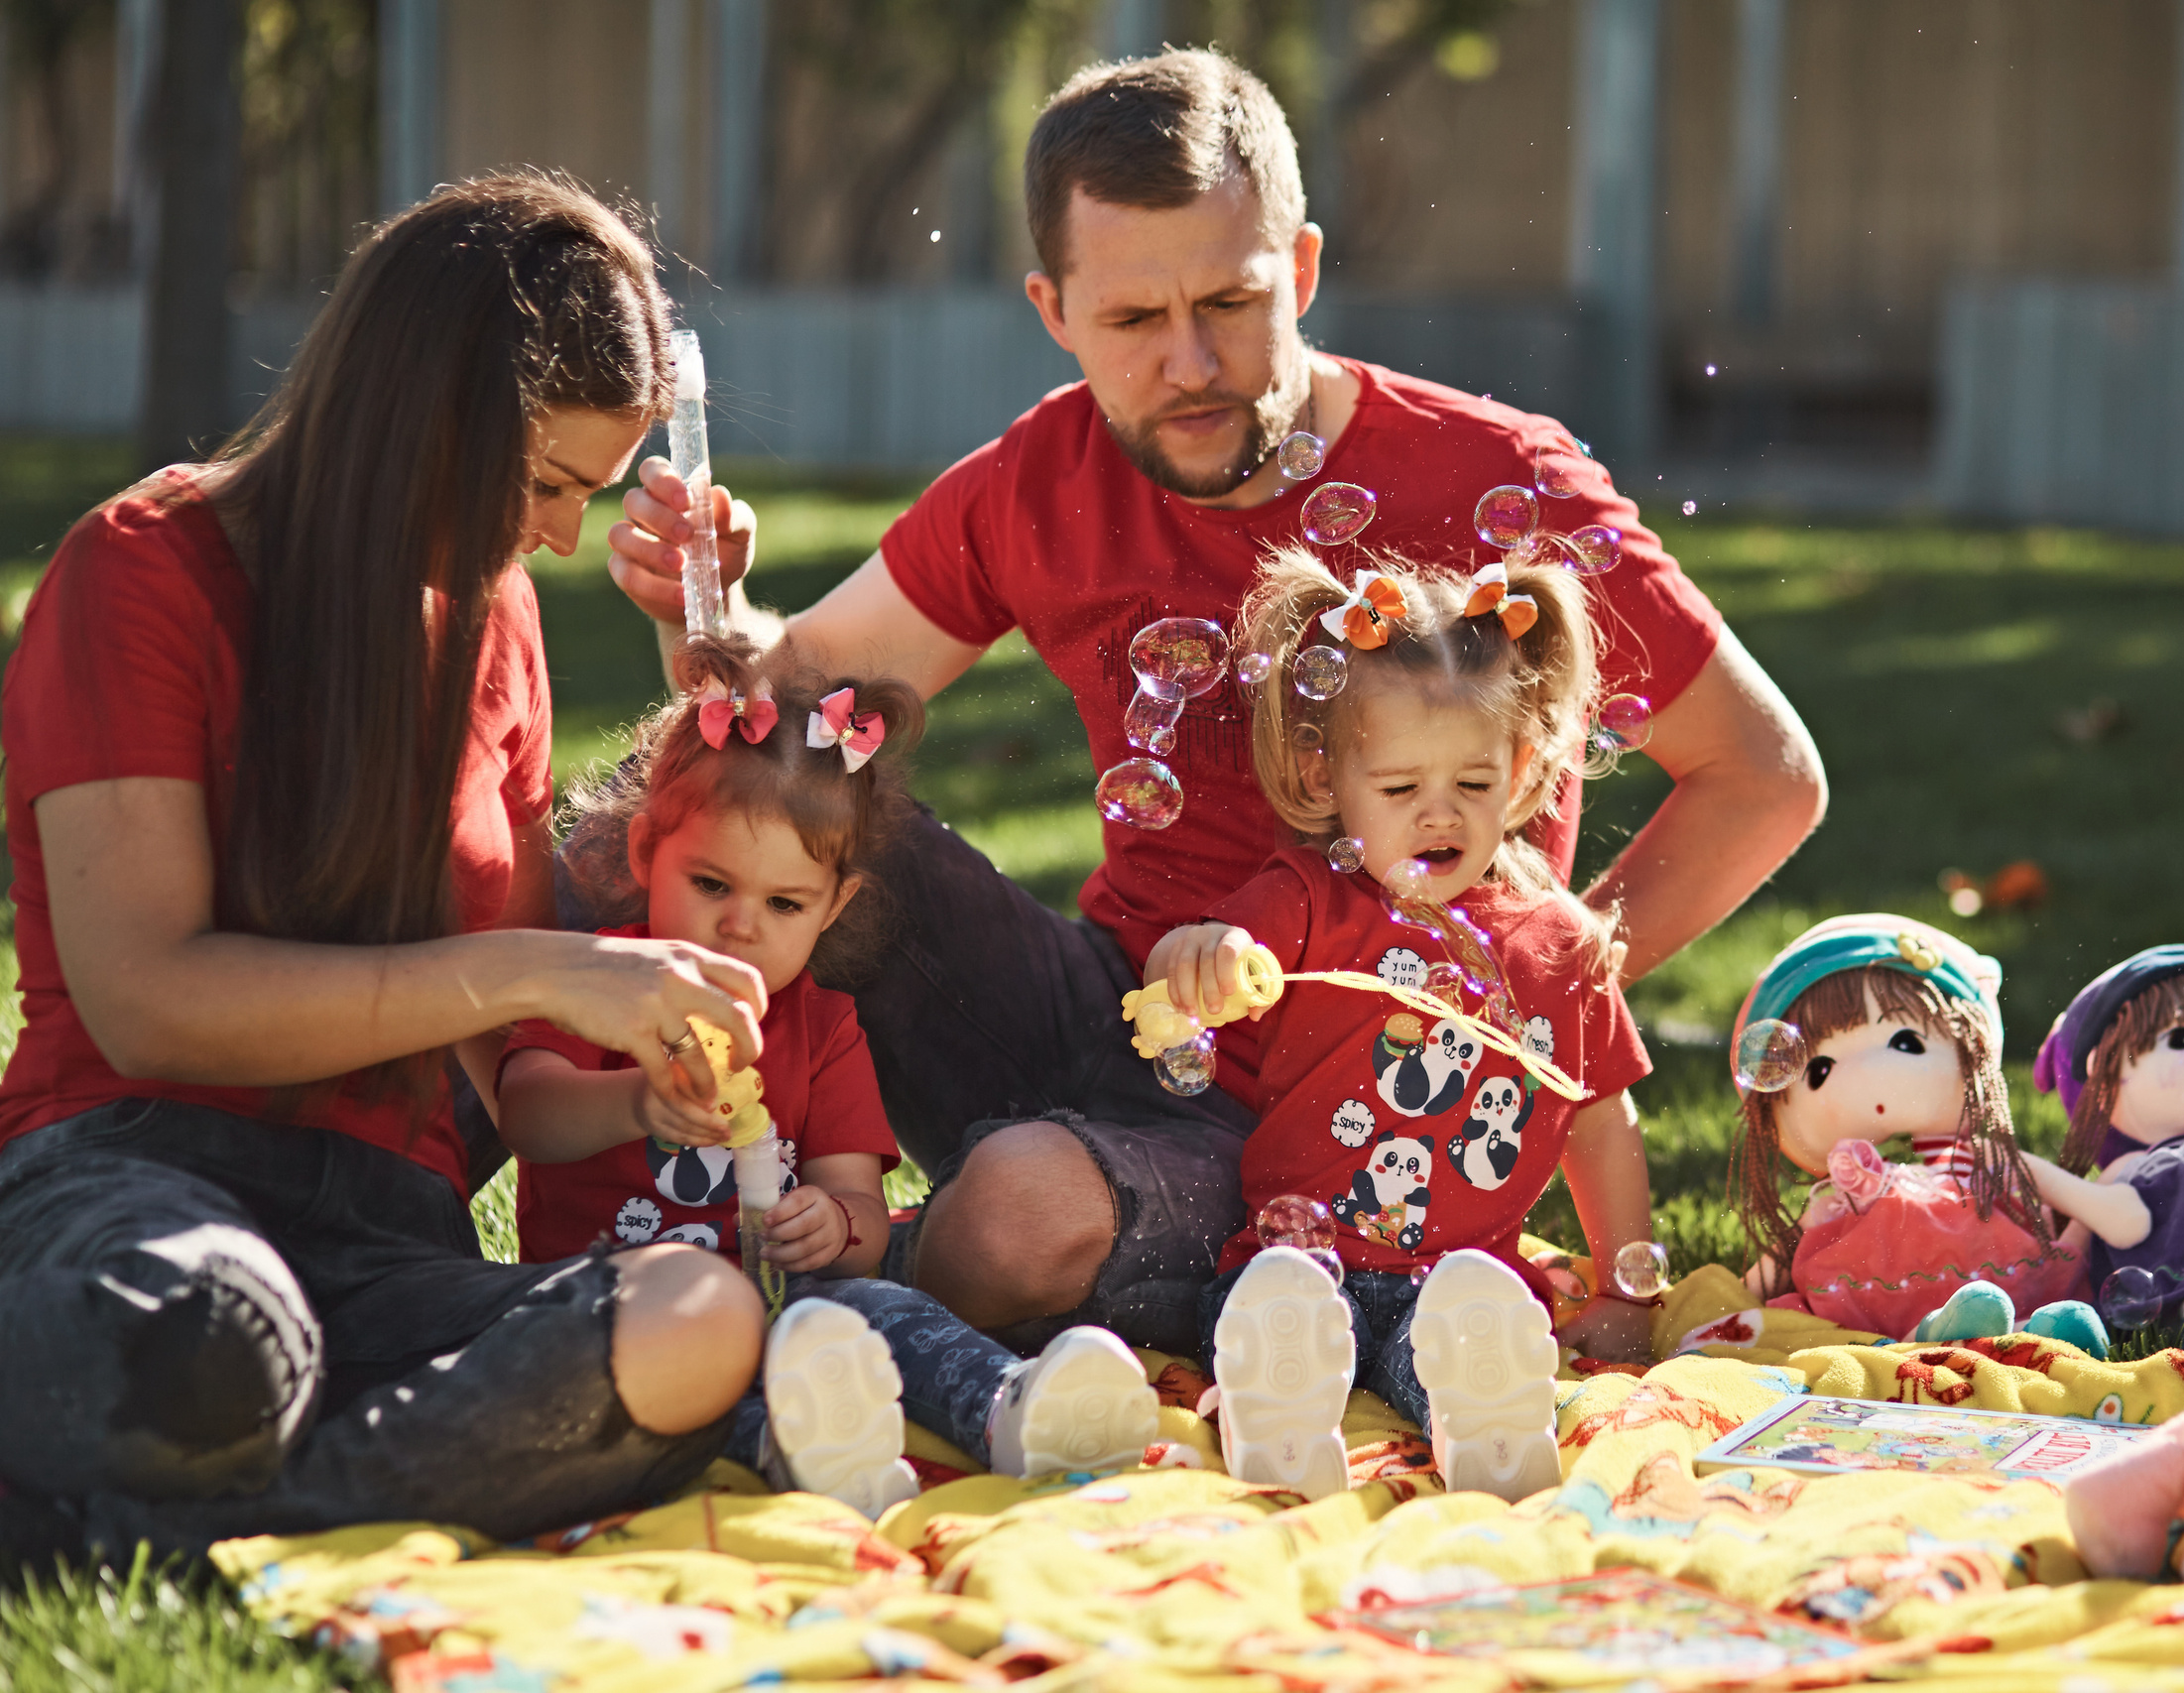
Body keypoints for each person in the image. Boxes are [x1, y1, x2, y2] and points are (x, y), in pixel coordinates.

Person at [599, 51, 1827, 1355]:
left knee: (1016, 1215)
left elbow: (1764, 775)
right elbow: (792, 687)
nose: (1192, 363)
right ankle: (477, 1214)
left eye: (1230, 303)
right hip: (1099, 1003)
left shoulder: (1492, 479)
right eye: (1132, 321)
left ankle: (876, 1278)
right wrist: (701, 610)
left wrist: (1518, 999)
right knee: (687, 800)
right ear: (1054, 309)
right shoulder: (1040, 473)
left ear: (1298, 270)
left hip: (1325, 1107)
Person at [0, 175, 776, 1567]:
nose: (554, 536)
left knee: (701, 1322)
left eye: (585, 497)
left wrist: (634, 1074)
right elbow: (146, 1001)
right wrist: (542, 964)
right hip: (138, 1179)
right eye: (546, 483)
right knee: (214, 1336)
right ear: (429, 404)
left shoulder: (506, 631)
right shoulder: (144, 570)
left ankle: (144, 1523)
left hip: (383, 1237)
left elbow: (508, 1091)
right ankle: (302, 1482)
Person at [503, 638, 1158, 1517]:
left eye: (783, 905)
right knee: (625, 1396)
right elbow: (526, 1114)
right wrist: (632, 1099)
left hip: (783, 1302)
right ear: (645, 849)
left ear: (834, 906)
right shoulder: (597, 979)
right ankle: (795, 1445)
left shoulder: (821, 1025)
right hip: (614, 1303)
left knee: (884, 1307)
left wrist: (830, 1224)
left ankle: (1013, 1406)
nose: (739, 927)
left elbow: (857, 1214)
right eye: (709, 883)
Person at [1150, 551, 1651, 1502]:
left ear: (1525, 768)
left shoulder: (1563, 947)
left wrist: (1627, 1293)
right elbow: (1204, 957)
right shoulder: (1307, 900)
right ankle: (1278, 1409)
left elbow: (1599, 1120)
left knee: (1462, 1353)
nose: (1438, 813)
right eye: (1399, 788)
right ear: (1324, 776)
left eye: (1472, 782)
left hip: (1459, 1280)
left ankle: (1490, 1428)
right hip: (1299, 1260)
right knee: (1274, 1317)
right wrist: (1199, 956)